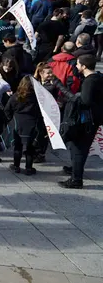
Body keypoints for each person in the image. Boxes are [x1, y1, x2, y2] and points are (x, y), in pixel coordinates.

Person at [60, 54, 103, 188]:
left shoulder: (90, 81)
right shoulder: (99, 77)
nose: (76, 66)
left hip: (86, 122)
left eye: (78, 64)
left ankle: (76, 179)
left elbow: (85, 101)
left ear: (83, 66)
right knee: (77, 146)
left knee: (78, 148)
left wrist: (73, 96)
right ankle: (75, 169)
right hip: (94, 119)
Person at [4, 76, 41, 175]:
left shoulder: (16, 96)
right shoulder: (37, 97)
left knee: (18, 146)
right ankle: (29, 168)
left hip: (18, 123)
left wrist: (10, 119)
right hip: (32, 123)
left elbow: (7, 109)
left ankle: (16, 166)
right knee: (30, 148)